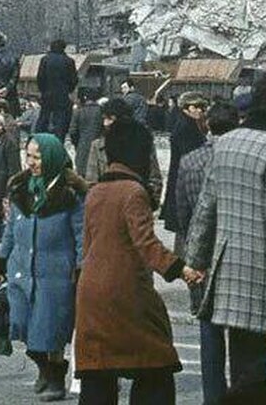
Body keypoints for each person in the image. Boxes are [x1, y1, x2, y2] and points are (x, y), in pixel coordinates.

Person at [186, 73, 266, 405]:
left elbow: (206, 206)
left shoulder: (225, 142)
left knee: (242, 360)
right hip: (264, 272)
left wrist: (194, 259)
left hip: (227, 270)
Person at [73, 118, 202, 405]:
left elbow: (88, 244)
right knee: (155, 361)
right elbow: (146, 243)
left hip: (91, 293)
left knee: (98, 369)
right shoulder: (133, 192)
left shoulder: (95, 192)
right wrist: (182, 269)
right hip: (125, 291)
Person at [0, 133, 87, 401]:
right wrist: (1, 258)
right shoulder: (20, 188)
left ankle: (55, 379)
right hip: (21, 271)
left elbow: (82, 236)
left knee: (49, 331)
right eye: (29, 155)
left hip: (55, 275)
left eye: (38, 157)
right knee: (20, 325)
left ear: (52, 158)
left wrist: (81, 268)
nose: (31, 162)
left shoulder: (71, 195)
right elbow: (11, 229)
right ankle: (45, 368)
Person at [171, 101, 240, 405]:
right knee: (240, 331)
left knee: (208, 327)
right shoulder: (241, 158)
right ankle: (242, 391)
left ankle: (213, 395)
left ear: (207, 125)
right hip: (238, 251)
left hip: (202, 252)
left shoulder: (190, 161)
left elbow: (182, 212)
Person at [84, 98, 164, 206]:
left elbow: (155, 179)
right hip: (106, 207)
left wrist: (148, 202)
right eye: (104, 119)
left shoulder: (142, 143)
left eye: (110, 119)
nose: (105, 123)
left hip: (137, 205)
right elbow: (91, 182)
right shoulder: (98, 146)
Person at [160, 93, 209, 239]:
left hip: (178, 179)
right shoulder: (186, 128)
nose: (200, 111)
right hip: (185, 182)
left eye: (202, 107)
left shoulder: (185, 124)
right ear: (186, 108)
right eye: (197, 107)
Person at [0, 112, 23, 242]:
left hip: (3, 178)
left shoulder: (8, 141)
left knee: (2, 206)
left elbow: (14, 164)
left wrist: (13, 180)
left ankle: (2, 234)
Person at [35, 39, 78, 139]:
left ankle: (39, 140)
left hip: (47, 95)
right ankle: (58, 143)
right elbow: (74, 80)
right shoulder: (69, 61)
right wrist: (68, 90)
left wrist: (43, 91)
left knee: (43, 119)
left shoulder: (45, 60)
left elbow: (40, 78)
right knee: (60, 122)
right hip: (62, 96)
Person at [68, 96, 105, 175]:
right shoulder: (101, 110)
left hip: (82, 146)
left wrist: (76, 143)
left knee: (82, 173)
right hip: (99, 147)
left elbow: (72, 131)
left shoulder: (78, 111)